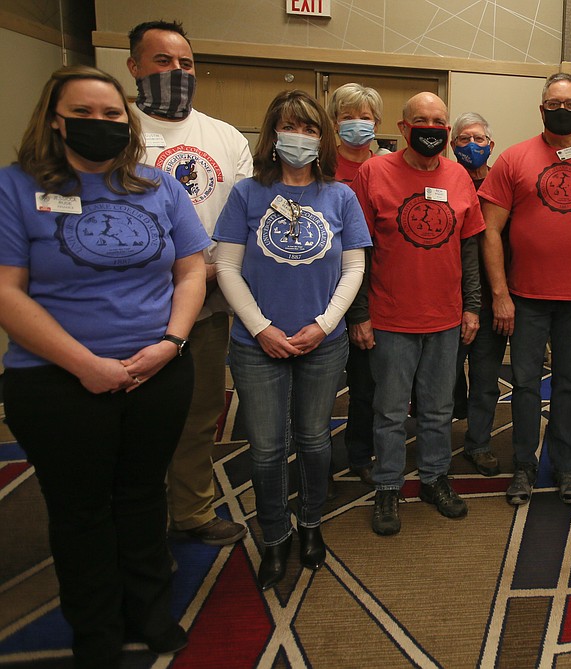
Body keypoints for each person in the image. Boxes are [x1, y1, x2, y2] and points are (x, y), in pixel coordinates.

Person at [0, 65, 209, 666]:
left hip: (158, 368)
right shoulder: (16, 188)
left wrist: (171, 342)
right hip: (56, 379)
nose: (101, 124)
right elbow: (8, 291)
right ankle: (94, 627)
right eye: (84, 115)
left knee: (143, 495)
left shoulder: (158, 186)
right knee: (80, 507)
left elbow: (192, 269)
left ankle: (149, 610)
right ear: (54, 120)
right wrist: (85, 364)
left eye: (112, 115)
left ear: (129, 120)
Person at [214, 90, 371, 589]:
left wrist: (324, 325)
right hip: (257, 344)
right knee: (265, 448)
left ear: (321, 138)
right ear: (271, 134)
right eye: (289, 127)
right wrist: (261, 328)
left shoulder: (340, 195)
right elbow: (226, 265)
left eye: (308, 129)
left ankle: (310, 526)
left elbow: (354, 267)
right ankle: (276, 535)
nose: (299, 137)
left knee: (314, 440)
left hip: (321, 343)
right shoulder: (246, 194)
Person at [126, 20, 252, 546]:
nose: (176, 72)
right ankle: (136, 519)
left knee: (200, 412)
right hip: (135, 306)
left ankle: (193, 510)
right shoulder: (118, 129)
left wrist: (207, 271)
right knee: (134, 421)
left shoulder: (224, 137)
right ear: (134, 67)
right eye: (162, 61)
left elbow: (245, 217)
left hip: (208, 303)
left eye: (185, 63)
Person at [479, 73, 571, 505]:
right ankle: (523, 465)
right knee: (523, 385)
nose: (563, 110)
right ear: (541, 109)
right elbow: (491, 233)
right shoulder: (513, 158)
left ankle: (564, 467)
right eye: (554, 103)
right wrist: (500, 294)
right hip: (524, 298)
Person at [352, 92, 485, 536]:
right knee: (389, 411)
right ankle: (388, 486)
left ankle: (433, 479)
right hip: (390, 317)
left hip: (445, 318)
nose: (432, 128)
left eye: (439, 121)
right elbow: (358, 252)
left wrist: (472, 306)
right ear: (404, 127)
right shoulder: (374, 172)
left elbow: (470, 250)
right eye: (421, 120)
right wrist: (360, 313)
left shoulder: (460, 177)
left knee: (437, 408)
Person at [329, 82, 390, 487]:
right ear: (334, 123)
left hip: (373, 287)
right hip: (323, 285)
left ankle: (359, 451)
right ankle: (310, 458)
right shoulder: (318, 166)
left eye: (364, 118)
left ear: (378, 123)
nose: (356, 124)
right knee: (319, 382)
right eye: (348, 117)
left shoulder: (389, 166)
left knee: (367, 382)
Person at [451, 111, 506, 477]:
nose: (473, 146)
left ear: (491, 145)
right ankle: (435, 443)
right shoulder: (443, 181)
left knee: (486, 378)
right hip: (446, 302)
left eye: (479, 139)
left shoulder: (501, 183)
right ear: (452, 145)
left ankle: (479, 443)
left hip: (492, 300)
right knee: (441, 379)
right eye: (464, 139)